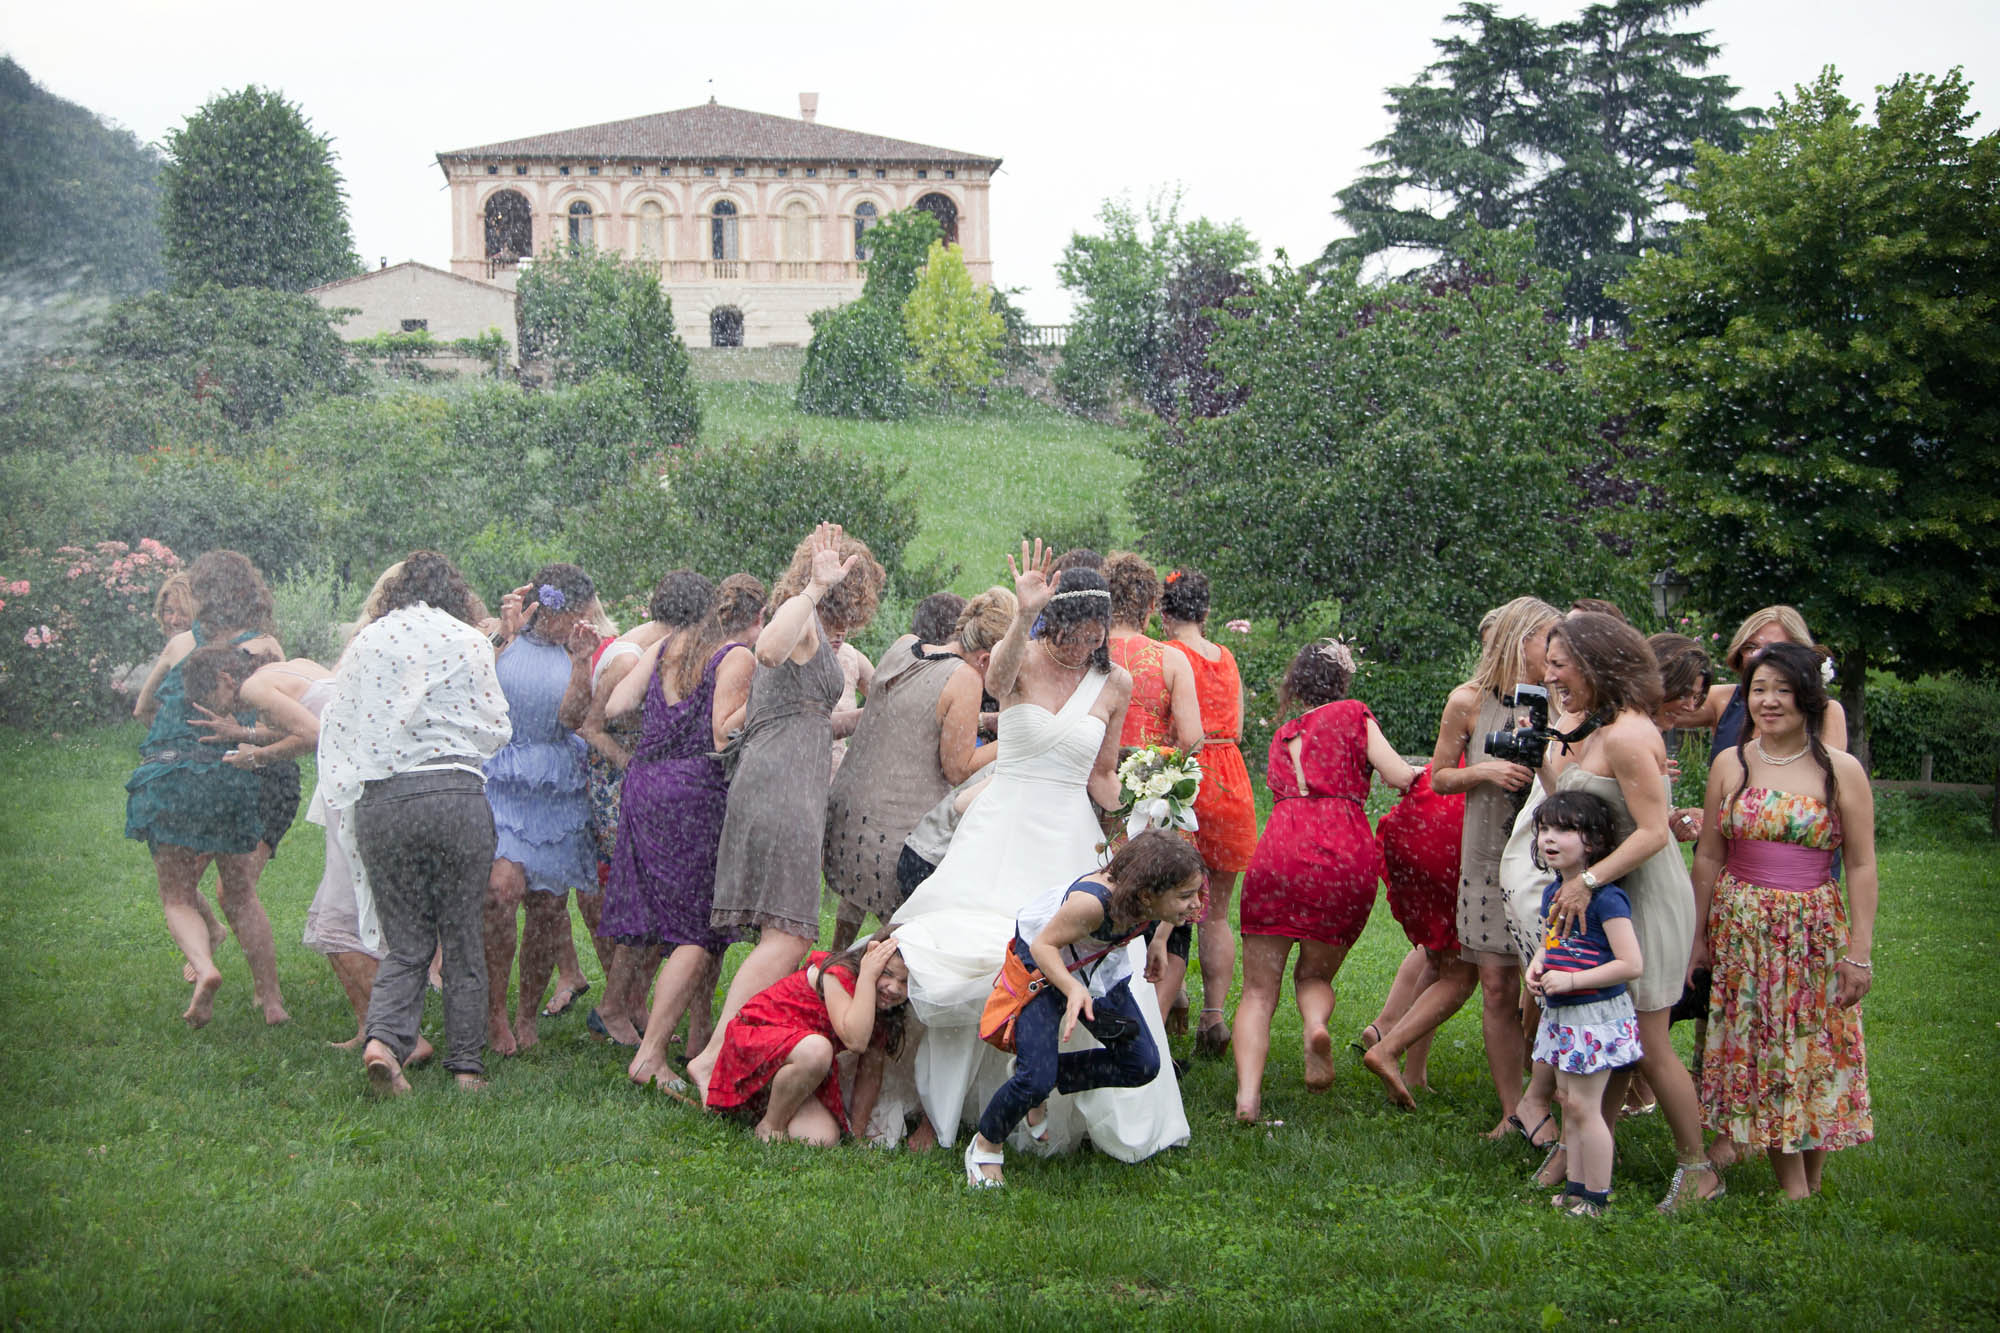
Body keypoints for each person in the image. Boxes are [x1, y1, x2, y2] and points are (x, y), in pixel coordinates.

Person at [891, 544, 1187, 1161]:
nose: (1086, 644)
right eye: (1076, 631)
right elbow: (991, 685)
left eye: (1096, 633)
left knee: (1082, 961)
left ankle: (1053, 1100)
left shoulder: (1116, 682)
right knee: (980, 951)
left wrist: (1148, 799)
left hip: (1070, 835)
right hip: (1002, 826)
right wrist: (1024, 613)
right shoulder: (1021, 658)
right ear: (1056, 622)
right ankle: (952, 1107)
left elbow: (1101, 776)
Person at [684, 525, 885, 1094]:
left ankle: (729, 1048)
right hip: (781, 787)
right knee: (790, 938)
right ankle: (716, 1054)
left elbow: (810, 717)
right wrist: (815, 589)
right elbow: (765, 651)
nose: (852, 620)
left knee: (784, 932)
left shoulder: (815, 629)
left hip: (786, 781)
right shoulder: (798, 621)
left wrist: (881, 715)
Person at [1537, 612, 1719, 1212]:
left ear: (1596, 664)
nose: (1553, 675)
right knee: (1612, 1032)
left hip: (1641, 893)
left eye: (1562, 665)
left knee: (1647, 1037)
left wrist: (1586, 880)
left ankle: (1698, 1170)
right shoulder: (1597, 724)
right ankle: (1580, 1155)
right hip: (1605, 892)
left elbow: (1652, 833)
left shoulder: (1629, 732)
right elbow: (1566, 796)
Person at [317, 552, 512, 1094]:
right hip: (454, 797)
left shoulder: (367, 642)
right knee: (462, 937)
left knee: (405, 942)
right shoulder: (469, 640)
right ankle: (467, 1069)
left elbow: (340, 722)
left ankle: (383, 1040)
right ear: (456, 593)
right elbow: (497, 726)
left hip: (385, 802)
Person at [1363, 596, 1560, 1122]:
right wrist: (1485, 773)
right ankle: (1511, 1111)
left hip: (1549, 860)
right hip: (1483, 855)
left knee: (1550, 984)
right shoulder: (1468, 701)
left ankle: (1554, 1097)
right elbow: (1441, 776)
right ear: (1521, 642)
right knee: (1495, 984)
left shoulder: (1562, 703)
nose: (1558, 652)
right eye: (1548, 641)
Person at [1691, 641, 1875, 1200]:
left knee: (1814, 1045)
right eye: (1758, 690)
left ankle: (1811, 1179)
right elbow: (1708, 855)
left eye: (1781, 690)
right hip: (1742, 929)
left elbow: (1862, 863)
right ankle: (1791, 1184)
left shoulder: (1840, 770)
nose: (1768, 702)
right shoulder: (1732, 762)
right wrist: (1699, 936)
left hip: (1813, 928)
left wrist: (1858, 952)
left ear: (1808, 696)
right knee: (1765, 1045)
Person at [1235, 639, 1416, 1124]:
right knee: (1313, 974)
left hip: (1280, 851)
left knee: (1256, 990)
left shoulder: (1283, 734)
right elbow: (1399, 776)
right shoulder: (1354, 714)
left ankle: (1248, 1098)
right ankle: (1315, 1024)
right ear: (1342, 681)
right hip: (1341, 853)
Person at [964, 832, 1206, 1186]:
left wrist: (1158, 941)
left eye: (1196, 892)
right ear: (1145, 894)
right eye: (1186, 896)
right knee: (1034, 1078)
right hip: (1043, 968)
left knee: (1142, 1064)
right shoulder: (1091, 904)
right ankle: (986, 1144)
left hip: (1099, 971)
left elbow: (1165, 912)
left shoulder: (1150, 897)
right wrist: (1072, 987)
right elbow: (1045, 944)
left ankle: (1039, 1076)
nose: (1196, 903)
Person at [180, 643, 386, 1046]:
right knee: (345, 907)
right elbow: (313, 718)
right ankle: (371, 1027)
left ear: (226, 678)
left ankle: (393, 1031)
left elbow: (313, 733)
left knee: (342, 913)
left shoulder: (254, 688)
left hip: (355, 779)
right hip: (364, 766)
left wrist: (255, 757)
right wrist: (242, 734)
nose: (224, 711)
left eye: (217, 701)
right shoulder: (293, 667)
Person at [125, 550, 289, 1028]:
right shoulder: (263, 648)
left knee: (177, 894)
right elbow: (282, 727)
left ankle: (206, 967)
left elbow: (143, 708)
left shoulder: (181, 644)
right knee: (240, 894)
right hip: (231, 776)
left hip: (172, 777)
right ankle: (273, 1001)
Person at [586, 570, 733, 1047]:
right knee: (695, 915)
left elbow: (616, 707)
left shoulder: (662, 649)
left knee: (643, 900)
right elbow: (722, 731)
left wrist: (656, 718)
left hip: (646, 784)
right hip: (693, 789)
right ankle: (690, 1028)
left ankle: (617, 1006)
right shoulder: (720, 655)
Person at [825, 587, 1015, 950]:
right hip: (893, 838)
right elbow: (958, 769)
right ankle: (862, 985)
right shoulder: (966, 678)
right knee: (906, 938)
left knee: (855, 903)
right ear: (988, 657)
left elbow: (916, 716)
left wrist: (985, 722)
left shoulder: (904, 646)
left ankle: (833, 962)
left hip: (847, 821)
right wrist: (1012, 738)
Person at [482, 564, 600, 1056]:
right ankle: (492, 1014)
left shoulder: (579, 651)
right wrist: (498, 636)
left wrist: (581, 663)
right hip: (505, 776)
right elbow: (471, 690)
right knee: (499, 896)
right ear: (549, 606)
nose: (581, 621)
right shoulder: (501, 636)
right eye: (575, 612)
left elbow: (572, 720)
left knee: (549, 908)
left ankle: (525, 1014)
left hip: (555, 782)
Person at [1523, 790, 1645, 1218]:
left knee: (1586, 1108)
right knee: (1567, 1102)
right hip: (1563, 1015)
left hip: (1595, 1017)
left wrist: (1573, 980)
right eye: (1543, 830)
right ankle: (1575, 1188)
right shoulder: (1552, 893)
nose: (1548, 839)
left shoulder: (1607, 899)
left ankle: (1596, 1196)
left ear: (1592, 842)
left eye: (1563, 829)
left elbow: (1630, 964)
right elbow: (1550, 943)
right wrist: (1536, 967)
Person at [1100, 553, 1203, 1031]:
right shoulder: (1169, 659)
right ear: (1147, 603)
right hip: (1154, 803)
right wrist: (1158, 769)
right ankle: (1152, 1031)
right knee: (1172, 912)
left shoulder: (1088, 654)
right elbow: (1192, 737)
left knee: (1108, 902)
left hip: (1099, 803)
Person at [1160, 566, 1260, 1055]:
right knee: (1215, 913)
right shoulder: (1226, 657)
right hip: (1231, 778)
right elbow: (1237, 727)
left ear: (1163, 611)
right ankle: (1213, 1017)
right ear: (1206, 612)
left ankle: (1171, 991)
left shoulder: (1167, 655)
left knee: (1166, 898)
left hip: (1187, 778)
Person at [678, 935, 910, 1146]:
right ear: (870, 959)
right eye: (887, 973)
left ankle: (759, 1102)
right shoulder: (840, 973)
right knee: (818, 1050)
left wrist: (857, 1134)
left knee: (821, 1139)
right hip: (758, 1039)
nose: (894, 988)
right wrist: (868, 975)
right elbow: (856, 1041)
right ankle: (771, 1126)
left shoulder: (882, 1009)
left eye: (905, 982)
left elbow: (870, 1072)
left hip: (797, 1059)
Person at [1360, 763, 1466, 1093]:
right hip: (1457, 828)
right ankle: (1389, 1047)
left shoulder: (1468, 713)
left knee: (1436, 952)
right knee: (1462, 971)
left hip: (1423, 818)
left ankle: (1399, 1048)